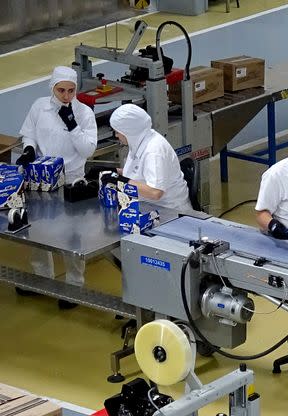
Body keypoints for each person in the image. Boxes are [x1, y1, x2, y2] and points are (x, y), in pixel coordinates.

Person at [17, 66, 98, 309]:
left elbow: (88, 150)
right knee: (38, 228)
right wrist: (29, 148)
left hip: (72, 180)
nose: (66, 95)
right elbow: (28, 133)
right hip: (41, 179)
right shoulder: (39, 107)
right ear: (52, 87)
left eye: (71, 91)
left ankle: (74, 286)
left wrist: (72, 126)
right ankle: (42, 279)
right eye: (61, 90)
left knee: (72, 235)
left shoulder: (83, 113)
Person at [108, 104, 192, 212]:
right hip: (149, 208)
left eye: (117, 131)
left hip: (170, 213)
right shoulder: (139, 140)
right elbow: (140, 173)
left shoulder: (154, 151)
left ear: (129, 131)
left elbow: (155, 192)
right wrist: (115, 172)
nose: (116, 135)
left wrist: (121, 180)